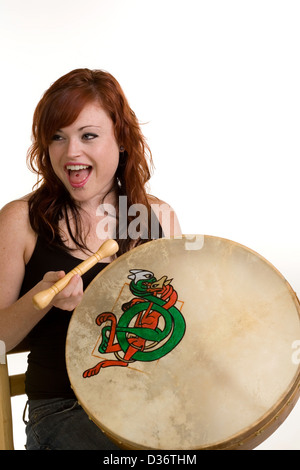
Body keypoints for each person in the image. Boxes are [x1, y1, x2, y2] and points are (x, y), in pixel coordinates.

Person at [0, 68, 181, 450]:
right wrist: (41, 299)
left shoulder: (158, 218)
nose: (71, 153)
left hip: (149, 405)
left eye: (88, 136)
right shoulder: (20, 220)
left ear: (121, 141)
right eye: (58, 137)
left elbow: (177, 333)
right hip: (65, 412)